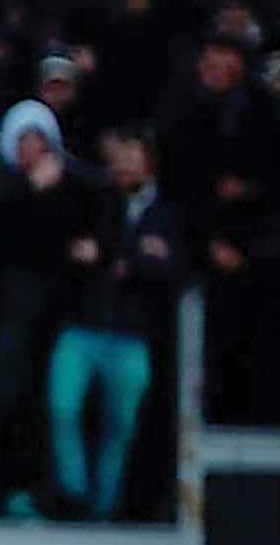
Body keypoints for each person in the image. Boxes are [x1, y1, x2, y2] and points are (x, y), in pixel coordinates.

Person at [46, 127, 181, 518]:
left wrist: (123, 260)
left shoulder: (165, 213)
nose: (123, 166)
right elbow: (72, 248)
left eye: (132, 158)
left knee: (119, 428)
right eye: (119, 158)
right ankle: (74, 491)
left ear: (149, 165)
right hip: (83, 326)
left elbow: (169, 266)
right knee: (62, 407)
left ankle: (103, 509)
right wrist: (132, 256)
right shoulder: (96, 202)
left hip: (131, 336)